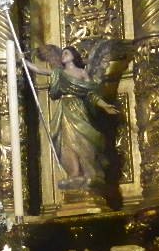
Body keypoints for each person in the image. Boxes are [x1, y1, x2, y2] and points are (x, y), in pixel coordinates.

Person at [28, 42, 129, 190]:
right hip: (64, 110)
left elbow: (91, 93)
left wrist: (104, 105)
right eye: (63, 53)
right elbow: (39, 69)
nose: (63, 55)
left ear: (73, 56)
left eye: (66, 52)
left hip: (79, 109)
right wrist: (23, 61)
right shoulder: (59, 72)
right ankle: (74, 172)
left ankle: (89, 172)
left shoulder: (82, 73)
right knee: (67, 142)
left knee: (83, 139)